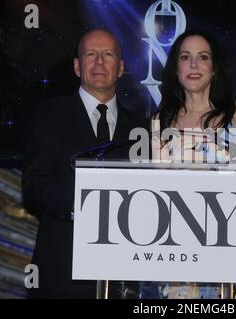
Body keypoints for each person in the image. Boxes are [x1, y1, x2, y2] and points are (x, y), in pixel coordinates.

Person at [22, 28, 146, 298]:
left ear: (121, 67)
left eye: (108, 54)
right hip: (62, 272)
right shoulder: (49, 115)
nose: (99, 62)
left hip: (123, 275)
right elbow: (33, 186)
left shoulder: (142, 129)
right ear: (78, 67)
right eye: (91, 54)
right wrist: (85, 205)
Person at [148, 30, 236, 299]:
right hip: (175, 249)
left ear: (214, 69)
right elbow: (156, 190)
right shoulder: (160, 121)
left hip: (226, 243)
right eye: (185, 57)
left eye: (203, 58)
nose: (193, 65)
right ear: (175, 69)